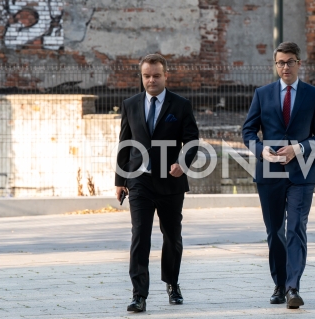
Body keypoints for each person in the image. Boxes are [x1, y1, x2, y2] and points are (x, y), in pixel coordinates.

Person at [242, 42, 315, 309]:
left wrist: (299, 148)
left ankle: (293, 288)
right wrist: (261, 151)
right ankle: (279, 285)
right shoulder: (263, 94)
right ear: (275, 65)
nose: (285, 67)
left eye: (290, 62)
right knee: (275, 232)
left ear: (299, 64)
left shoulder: (313, 95)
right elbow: (248, 131)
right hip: (268, 172)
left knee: (295, 229)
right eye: (280, 62)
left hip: (302, 173)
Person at [115, 54, 199, 313]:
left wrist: (182, 164)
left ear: (166, 76)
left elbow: (192, 141)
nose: (151, 80)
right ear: (142, 77)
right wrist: (120, 180)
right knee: (140, 235)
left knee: (172, 236)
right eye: (146, 76)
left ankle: (172, 283)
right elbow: (124, 143)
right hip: (139, 180)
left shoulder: (181, 105)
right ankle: (139, 294)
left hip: (171, 182)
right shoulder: (130, 104)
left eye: (156, 75)